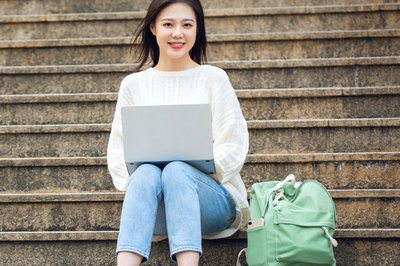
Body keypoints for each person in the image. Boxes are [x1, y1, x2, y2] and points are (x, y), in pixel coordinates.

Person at [107, 0, 249, 265]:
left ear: (197, 30)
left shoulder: (213, 79)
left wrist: (189, 167)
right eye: (168, 24)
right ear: (153, 27)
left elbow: (234, 146)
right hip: (154, 209)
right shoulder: (133, 85)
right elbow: (118, 157)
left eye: (187, 25)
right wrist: (150, 183)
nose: (177, 33)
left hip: (212, 202)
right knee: (147, 172)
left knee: (176, 170)